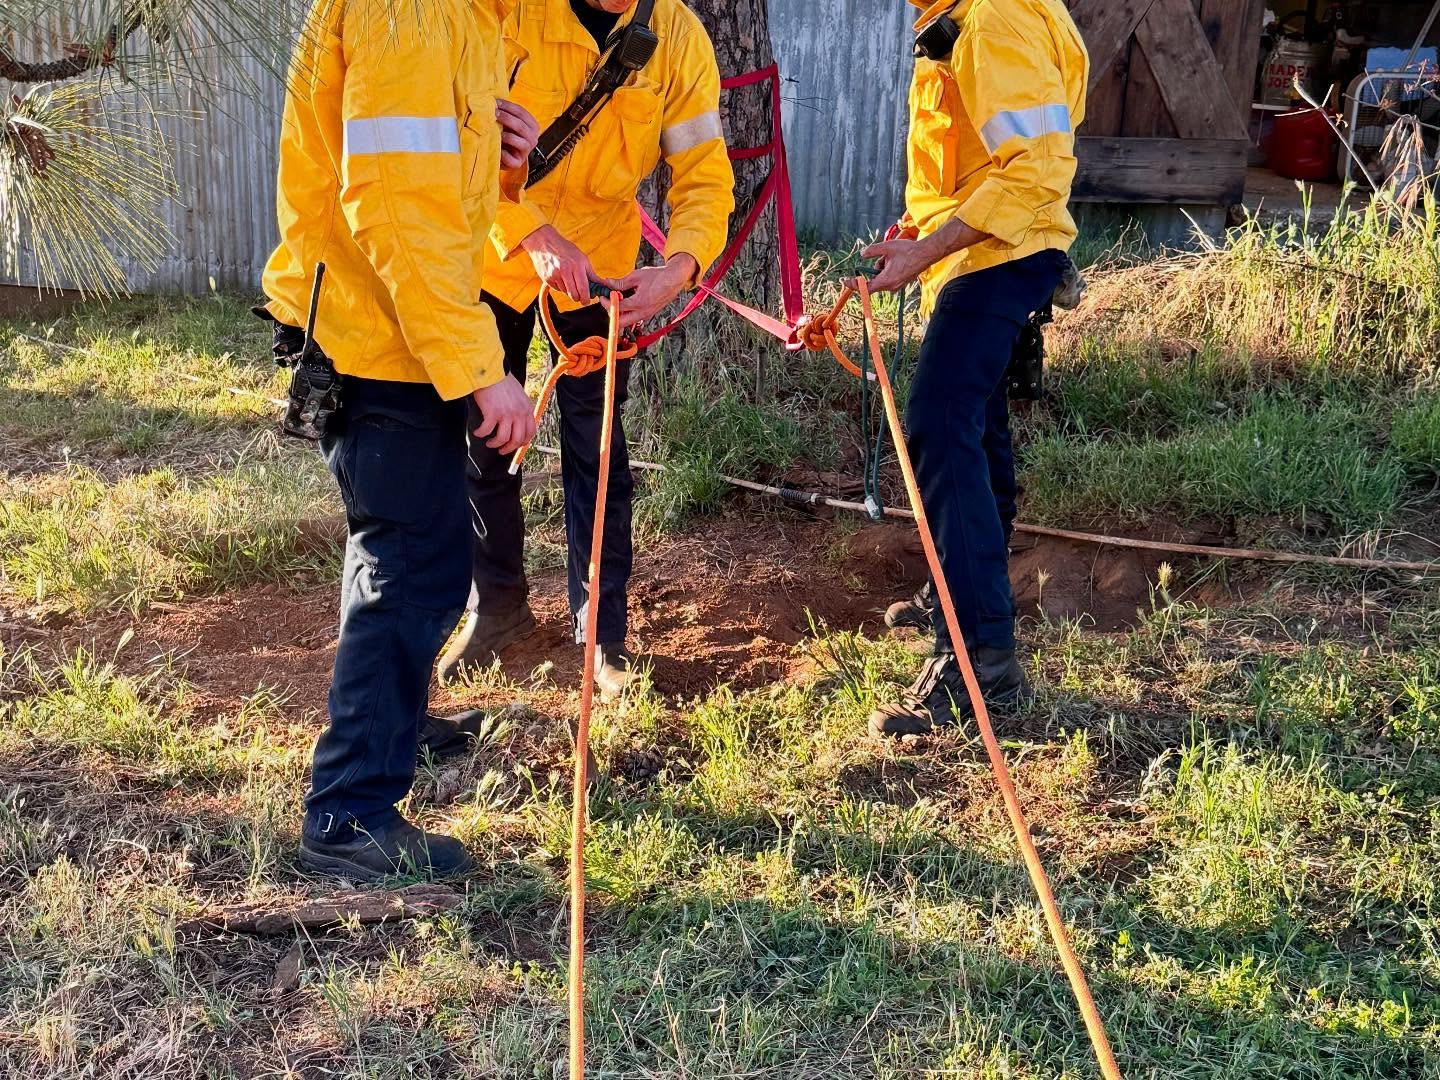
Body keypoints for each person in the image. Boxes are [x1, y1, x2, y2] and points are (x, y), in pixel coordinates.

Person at [260, 0, 540, 880]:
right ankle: (347, 814)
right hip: (381, 340)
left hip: (395, 333)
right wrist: (480, 365)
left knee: (402, 552)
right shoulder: (411, 14)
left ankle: (400, 724)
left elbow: (436, 195)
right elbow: (391, 209)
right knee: (415, 565)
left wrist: (506, 172)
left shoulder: (461, 20)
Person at [436, 0, 734, 696]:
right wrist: (531, 233)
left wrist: (678, 269)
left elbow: (704, 178)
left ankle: (603, 635)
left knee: (598, 453)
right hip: (494, 253)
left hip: (599, 277)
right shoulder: (503, 10)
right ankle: (496, 610)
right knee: (484, 441)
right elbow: (456, 143)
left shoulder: (679, 39)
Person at [860, 0, 1088, 736]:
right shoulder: (960, 20)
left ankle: (978, 660)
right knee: (977, 428)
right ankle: (962, 595)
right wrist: (920, 232)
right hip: (976, 251)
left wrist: (926, 250)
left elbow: (1035, 172)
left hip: (1001, 255)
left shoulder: (993, 21)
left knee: (939, 421)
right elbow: (976, 164)